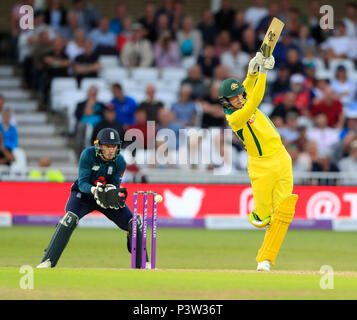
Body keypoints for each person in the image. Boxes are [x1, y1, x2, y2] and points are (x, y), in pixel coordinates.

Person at [218, 51, 298, 271]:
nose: (238, 99)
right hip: (261, 166)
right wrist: (263, 72)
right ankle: (260, 217)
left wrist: (252, 71)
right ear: (226, 102)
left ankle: (265, 260)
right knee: (264, 215)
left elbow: (246, 90)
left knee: (284, 213)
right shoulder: (235, 117)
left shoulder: (241, 99)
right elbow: (254, 98)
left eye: (238, 96)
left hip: (282, 157)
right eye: (233, 99)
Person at [36, 128, 149, 269]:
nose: (110, 150)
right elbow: (82, 183)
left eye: (113, 146)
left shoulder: (120, 162)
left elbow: (114, 184)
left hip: (105, 198)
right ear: (99, 145)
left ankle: (144, 264)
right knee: (69, 219)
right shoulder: (88, 155)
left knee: (134, 223)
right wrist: (95, 190)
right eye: (107, 146)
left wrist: (110, 192)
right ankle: (48, 261)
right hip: (83, 196)